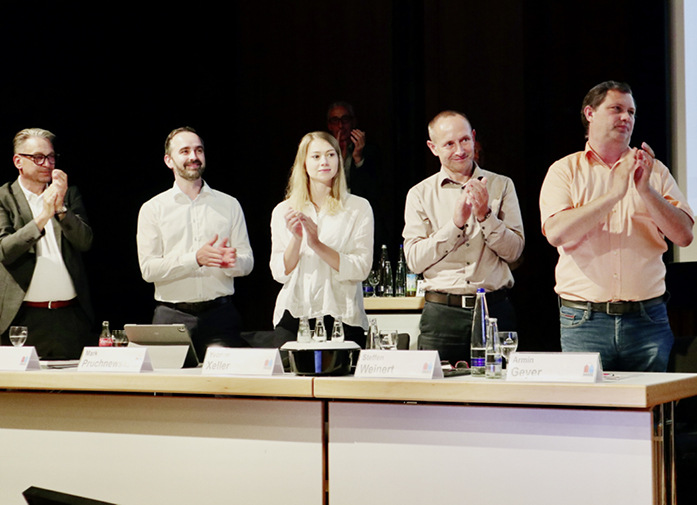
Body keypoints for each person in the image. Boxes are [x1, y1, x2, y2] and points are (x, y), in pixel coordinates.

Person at [540, 81, 694, 372]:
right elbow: (557, 232)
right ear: (590, 113)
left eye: (632, 112)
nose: (626, 118)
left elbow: (684, 235)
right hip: (583, 321)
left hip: (647, 319)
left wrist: (646, 190)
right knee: (587, 414)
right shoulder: (564, 170)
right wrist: (613, 195)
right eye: (617, 109)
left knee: (649, 413)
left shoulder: (654, 170)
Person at [403, 111, 525, 364]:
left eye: (465, 140)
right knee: (437, 399)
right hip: (442, 314)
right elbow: (414, 261)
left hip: (494, 310)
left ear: (473, 137)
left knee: (497, 398)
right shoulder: (420, 194)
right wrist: (455, 224)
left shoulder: (501, 185)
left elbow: (514, 252)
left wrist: (485, 216)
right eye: (449, 144)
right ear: (433, 147)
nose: (460, 150)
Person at [137, 127, 254, 359]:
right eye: (185, 151)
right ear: (169, 160)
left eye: (198, 150)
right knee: (169, 391)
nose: (193, 157)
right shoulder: (153, 209)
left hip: (220, 315)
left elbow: (247, 262)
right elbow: (148, 269)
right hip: (171, 317)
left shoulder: (229, 205)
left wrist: (231, 263)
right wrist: (195, 259)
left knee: (224, 390)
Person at [270, 131, 373, 348]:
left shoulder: (357, 207)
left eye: (330, 155)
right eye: (315, 156)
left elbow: (360, 268)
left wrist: (316, 244)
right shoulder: (284, 210)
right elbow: (280, 272)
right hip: (296, 313)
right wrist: (297, 239)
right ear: (304, 164)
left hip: (342, 315)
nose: (324, 162)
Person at [0, 128, 94, 359]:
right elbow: (5, 250)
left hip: (70, 317)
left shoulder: (68, 194)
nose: (47, 163)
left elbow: (85, 242)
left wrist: (61, 208)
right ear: (18, 161)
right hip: (22, 321)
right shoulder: (4, 198)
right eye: (38, 157)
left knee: (73, 392)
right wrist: (43, 217)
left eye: (51, 157)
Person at [326, 101, 387, 259]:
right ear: (329, 125)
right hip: (331, 215)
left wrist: (359, 158)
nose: (341, 125)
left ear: (353, 122)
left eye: (345, 119)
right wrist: (336, 153)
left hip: (359, 216)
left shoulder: (370, 150)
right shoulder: (323, 151)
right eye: (335, 120)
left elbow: (374, 190)